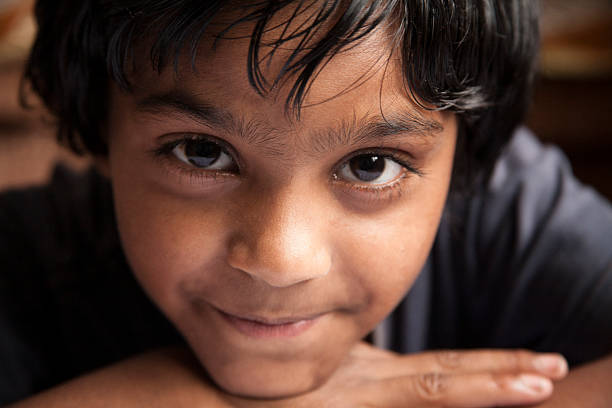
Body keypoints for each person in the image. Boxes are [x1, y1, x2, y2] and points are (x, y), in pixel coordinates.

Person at [2, 0, 611, 406]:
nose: (280, 258)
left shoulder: (506, 213)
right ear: (97, 131)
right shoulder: (22, 263)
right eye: (201, 152)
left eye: (370, 165)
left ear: (465, 161)